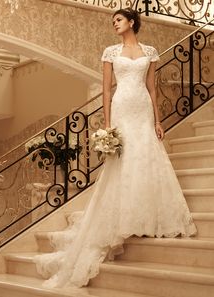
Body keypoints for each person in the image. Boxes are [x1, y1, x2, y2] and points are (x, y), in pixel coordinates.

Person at [34, 8, 197, 289]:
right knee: (124, 160)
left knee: (146, 156)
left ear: (132, 22)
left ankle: (145, 216)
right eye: (113, 22)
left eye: (118, 20)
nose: (114, 24)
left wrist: (158, 120)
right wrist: (108, 125)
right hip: (122, 107)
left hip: (143, 108)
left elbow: (152, 88)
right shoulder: (110, 52)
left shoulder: (150, 51)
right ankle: (123, 218)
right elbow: (107, 89)